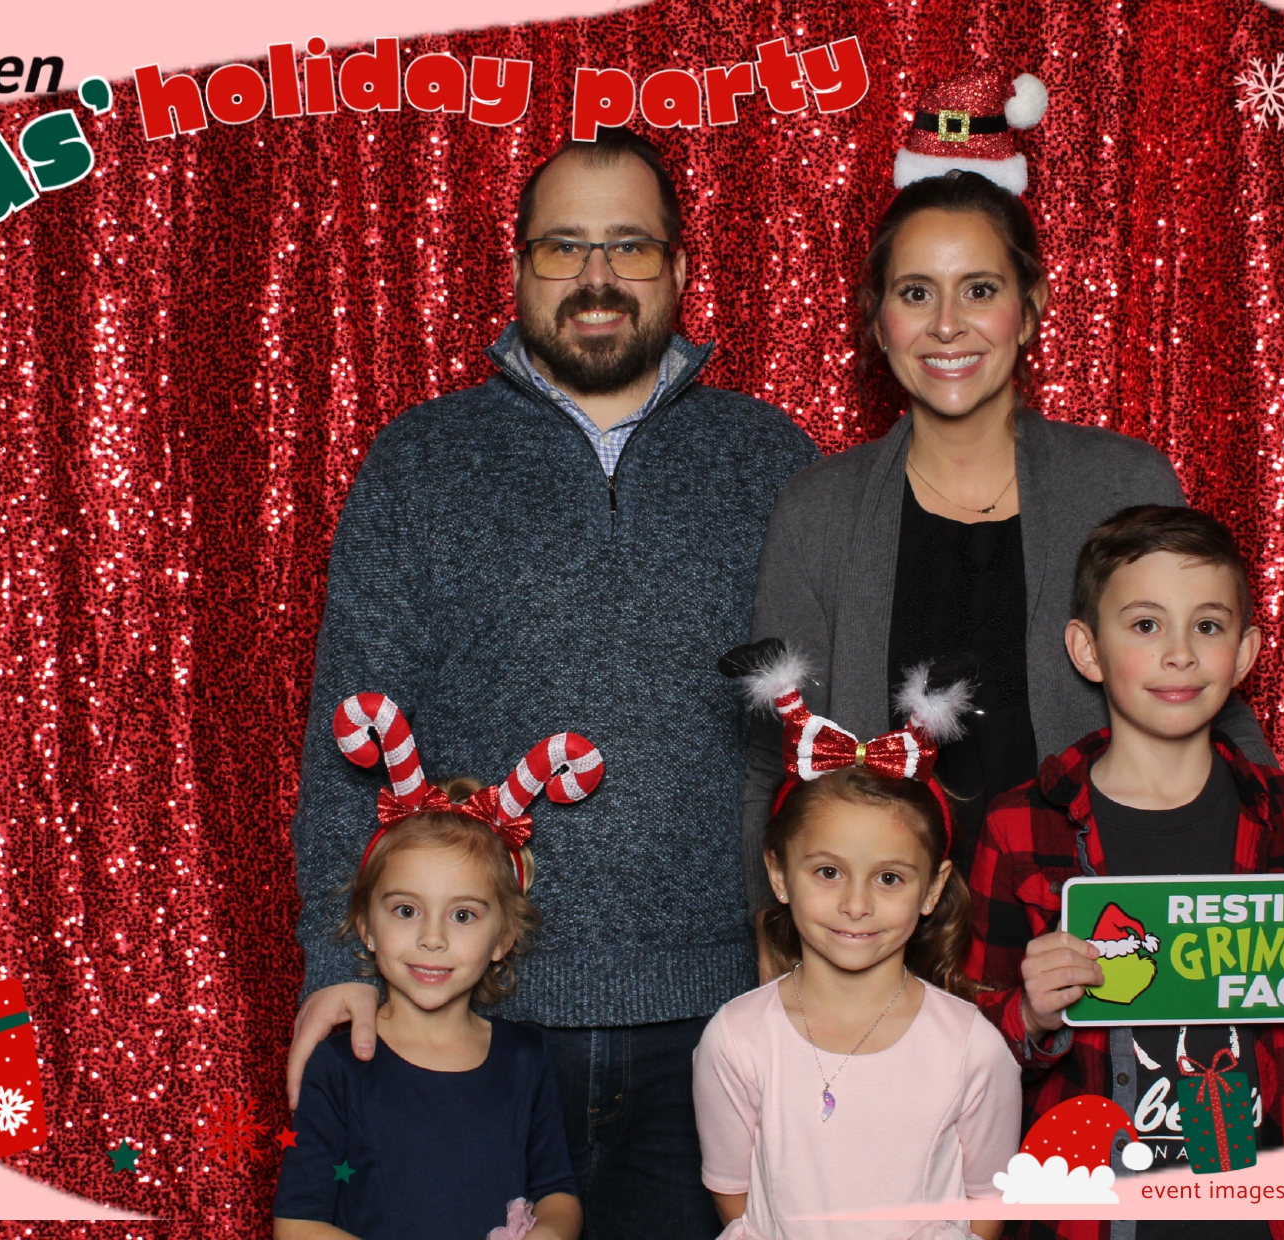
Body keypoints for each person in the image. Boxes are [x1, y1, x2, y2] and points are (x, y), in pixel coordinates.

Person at [284, 126, 819, 1240]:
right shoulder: (421, 459)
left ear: (678, 268)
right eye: (563, 247)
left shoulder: (769, 457)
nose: (595, 277)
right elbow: (352, 728)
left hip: (720, 1017)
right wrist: (337, 961)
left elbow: (821, 733)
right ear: (521, 267)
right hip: (471, 1020)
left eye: (629, 247)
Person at [742, 169, 1284, 970]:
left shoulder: (1121, 482)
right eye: (915, 293)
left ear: (1032, 307)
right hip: (882, 950)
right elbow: (773, 756)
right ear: (877, 318)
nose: (947, 324)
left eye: (980, 290)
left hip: (1096, 944)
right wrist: (770, 931)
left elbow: (1204, 697)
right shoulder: (819, 509)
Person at [965, 505, 1284, 1240]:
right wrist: (1028, 1015)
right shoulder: (1020, 826)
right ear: (1088, 649)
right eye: (1146, 625)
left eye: (1208, 626)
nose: (1181, 654)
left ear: (1245, 652)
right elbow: (964, 1053)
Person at [695, 642, 1018, 1240]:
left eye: (889, 878)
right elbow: (733, 1194)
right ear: (778, 875)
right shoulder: (737, 1039)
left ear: (932, 888)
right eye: (828, 872)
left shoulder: (973, 1048)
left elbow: (988, 1203)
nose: (856, 904)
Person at [274, 710, 586, 1240]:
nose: (433, 938)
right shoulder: (339, 1067)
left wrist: (549, 1233)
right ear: (366, 927)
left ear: (503, 938)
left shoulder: (526, 1057)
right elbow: (298, 1224)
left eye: (463, 915)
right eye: (406, 910)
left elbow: (557, 1192)